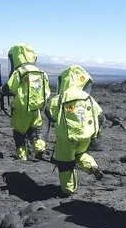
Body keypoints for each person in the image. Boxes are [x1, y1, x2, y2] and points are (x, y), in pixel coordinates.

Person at [45, 65, 106, 196]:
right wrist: (96, 136)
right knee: (80, 154)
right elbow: (101, 116)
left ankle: (68, 190)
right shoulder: (87, 97)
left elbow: (49, 112)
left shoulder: (62, 97)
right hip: (85, 136)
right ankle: (92, 166)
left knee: (65, 164)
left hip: (66, 138)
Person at [0, 44, 51, 161]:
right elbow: (47, 92)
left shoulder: (20, 72)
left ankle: (23, 157)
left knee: (19, 133)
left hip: (21, 109)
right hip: (36, 109)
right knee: (35, 131)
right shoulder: (41, 72)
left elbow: (10, 88)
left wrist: (1, 89)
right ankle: (39, 147)